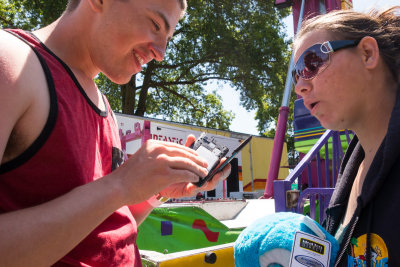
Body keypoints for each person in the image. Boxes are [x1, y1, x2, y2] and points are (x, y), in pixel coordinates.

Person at [0, 0, 231, 266]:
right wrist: (119, 185)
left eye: (167, 38)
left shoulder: (103, 104)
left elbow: (101, 226)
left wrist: (151, 191)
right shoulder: (11, 61)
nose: (160, 53)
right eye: (155, 24)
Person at [292, 6, 400, 266]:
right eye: (297, 74)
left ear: (367, 54)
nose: (299, 86)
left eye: (312, 62)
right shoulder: (351, 168)